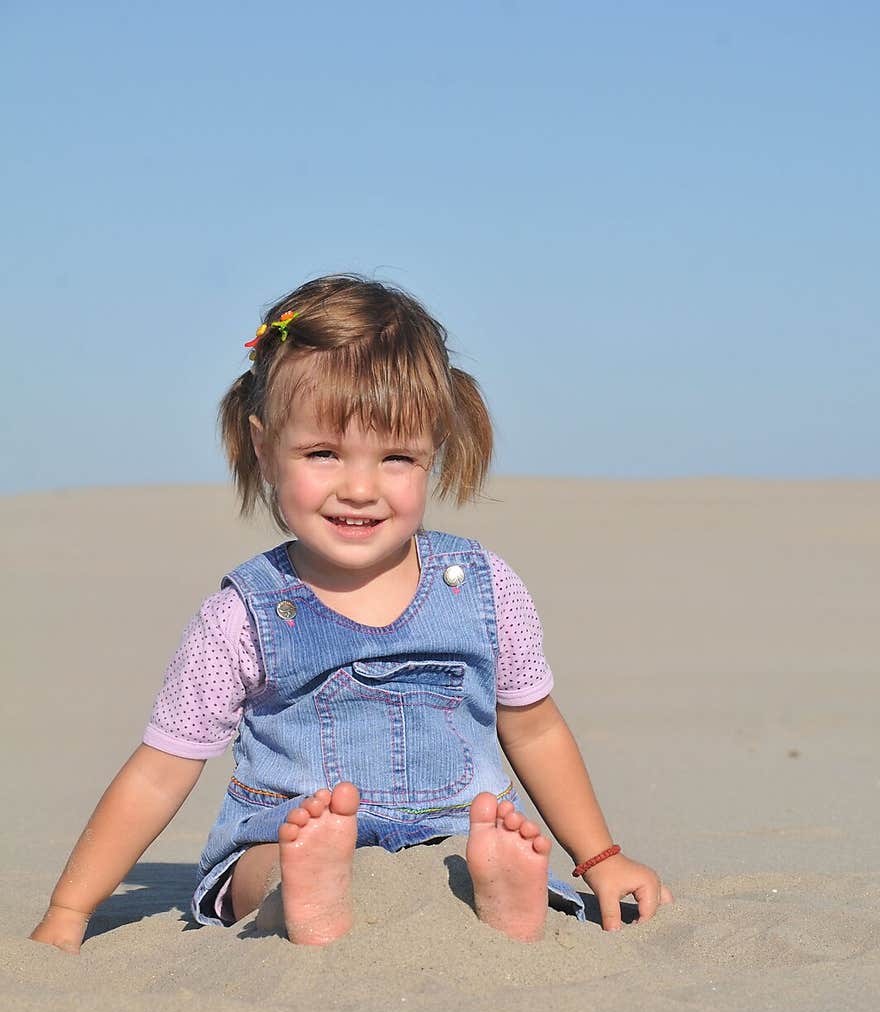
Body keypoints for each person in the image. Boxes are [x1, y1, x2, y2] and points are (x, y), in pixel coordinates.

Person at [30, 274, 673, 954]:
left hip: (453, 836)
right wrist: (70, 908)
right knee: (268, 866)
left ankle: (505, 899)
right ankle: (309, 890)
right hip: (283, 834)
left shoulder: (484, 590)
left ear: (434, 454)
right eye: (323, 453)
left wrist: (600, 857)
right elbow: (161, 769)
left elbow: (536, 730)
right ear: (263, 448)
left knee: (486, 845)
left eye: (397, 457)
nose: (360, 488)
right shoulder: (243, 616)